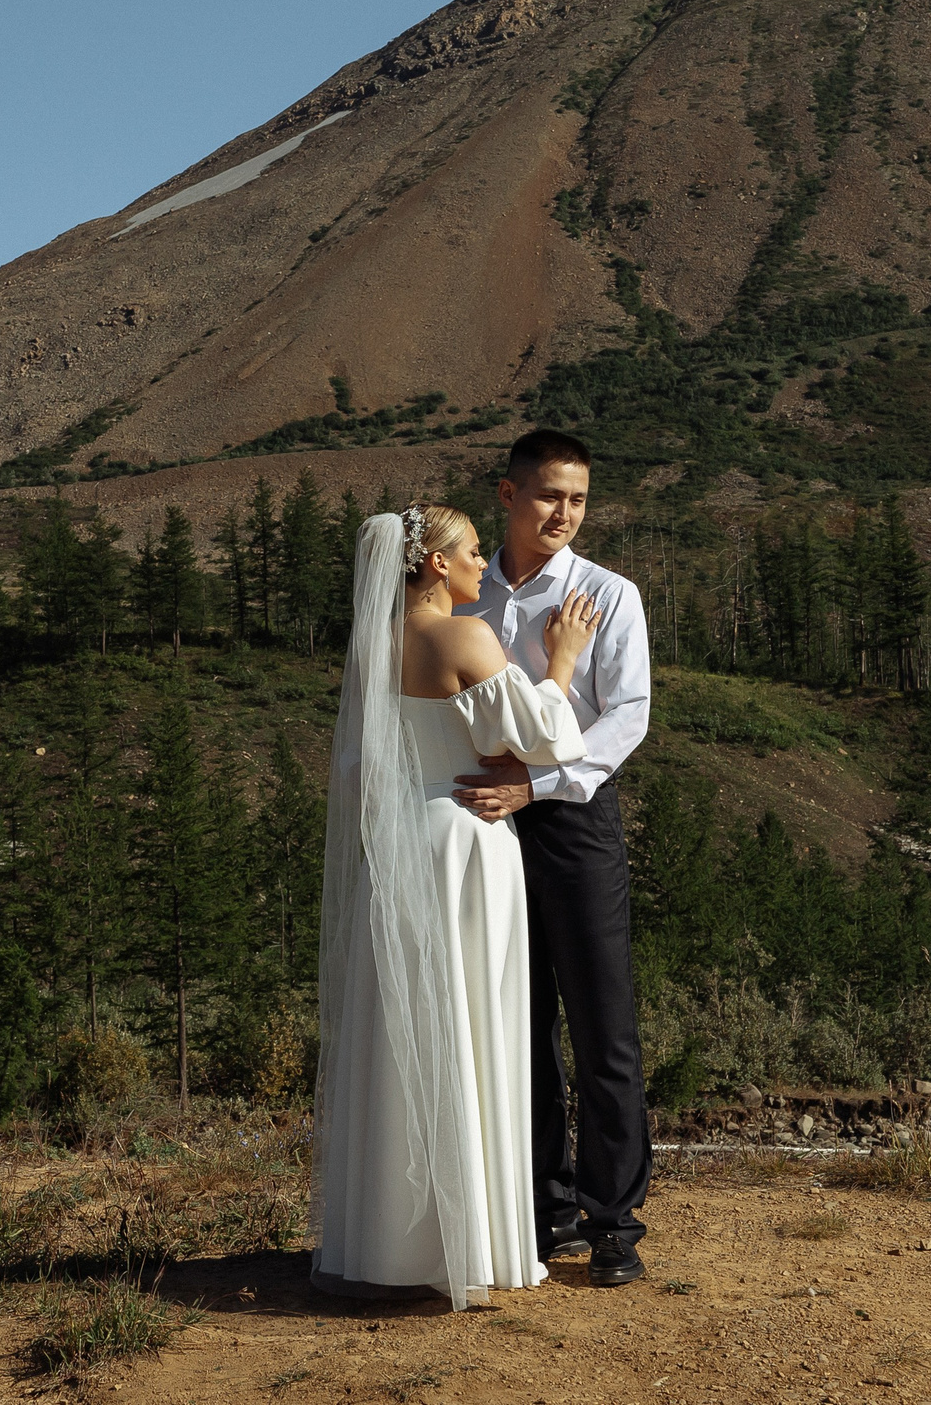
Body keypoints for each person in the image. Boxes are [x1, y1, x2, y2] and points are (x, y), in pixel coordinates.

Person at [311, 505, 599, 1308]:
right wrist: (563, 661)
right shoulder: (467, 636)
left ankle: (393, 1242)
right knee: (474, 1025)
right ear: (434, 564)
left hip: (402, 844)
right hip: (466, 843)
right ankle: (473, 1238)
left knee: (407, 1034)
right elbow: (545, 737)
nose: (483, 563)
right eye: (472, 552)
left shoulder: (374, 648)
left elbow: (355, 765)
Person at [454, 427, 653, 1284]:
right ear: (507, 496)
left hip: (572, 820)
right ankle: (544, 1205)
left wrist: (536, 785)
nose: (565, 513)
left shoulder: (611, 593)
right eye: (548, 496)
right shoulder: (465, 595)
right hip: (485, 822)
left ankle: (615, 1221)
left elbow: (627, 717)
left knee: (603, 1021)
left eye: (577, 498)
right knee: (519, 1020)